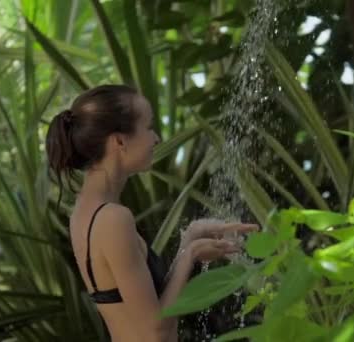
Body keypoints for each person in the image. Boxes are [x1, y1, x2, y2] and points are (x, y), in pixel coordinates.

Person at [45, 84, 257, 342]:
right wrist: (190, 255)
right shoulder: (112, 218)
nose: (156, 138)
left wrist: (188, 241)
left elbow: (145, 308)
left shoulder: (83, 211)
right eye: (148, 127)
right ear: (120, 141)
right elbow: (153, 330)